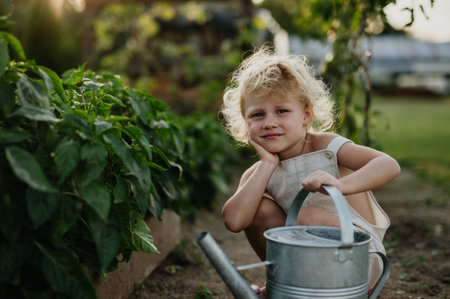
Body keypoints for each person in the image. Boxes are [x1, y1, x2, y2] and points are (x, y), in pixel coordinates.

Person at [220, 47, 401, 296]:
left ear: (306, 115)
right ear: (245, 123)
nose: (269, 122)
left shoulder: (326, 147)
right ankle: (285, 284)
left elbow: (388, 165)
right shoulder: (259, 171)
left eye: (281, 111)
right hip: (305, 264)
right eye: (257, 115)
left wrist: (341, 185)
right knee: (260, 208)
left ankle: (328, 290)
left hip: (358, 258)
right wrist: (267, 165)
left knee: (309, 218)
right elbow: (234, 220)